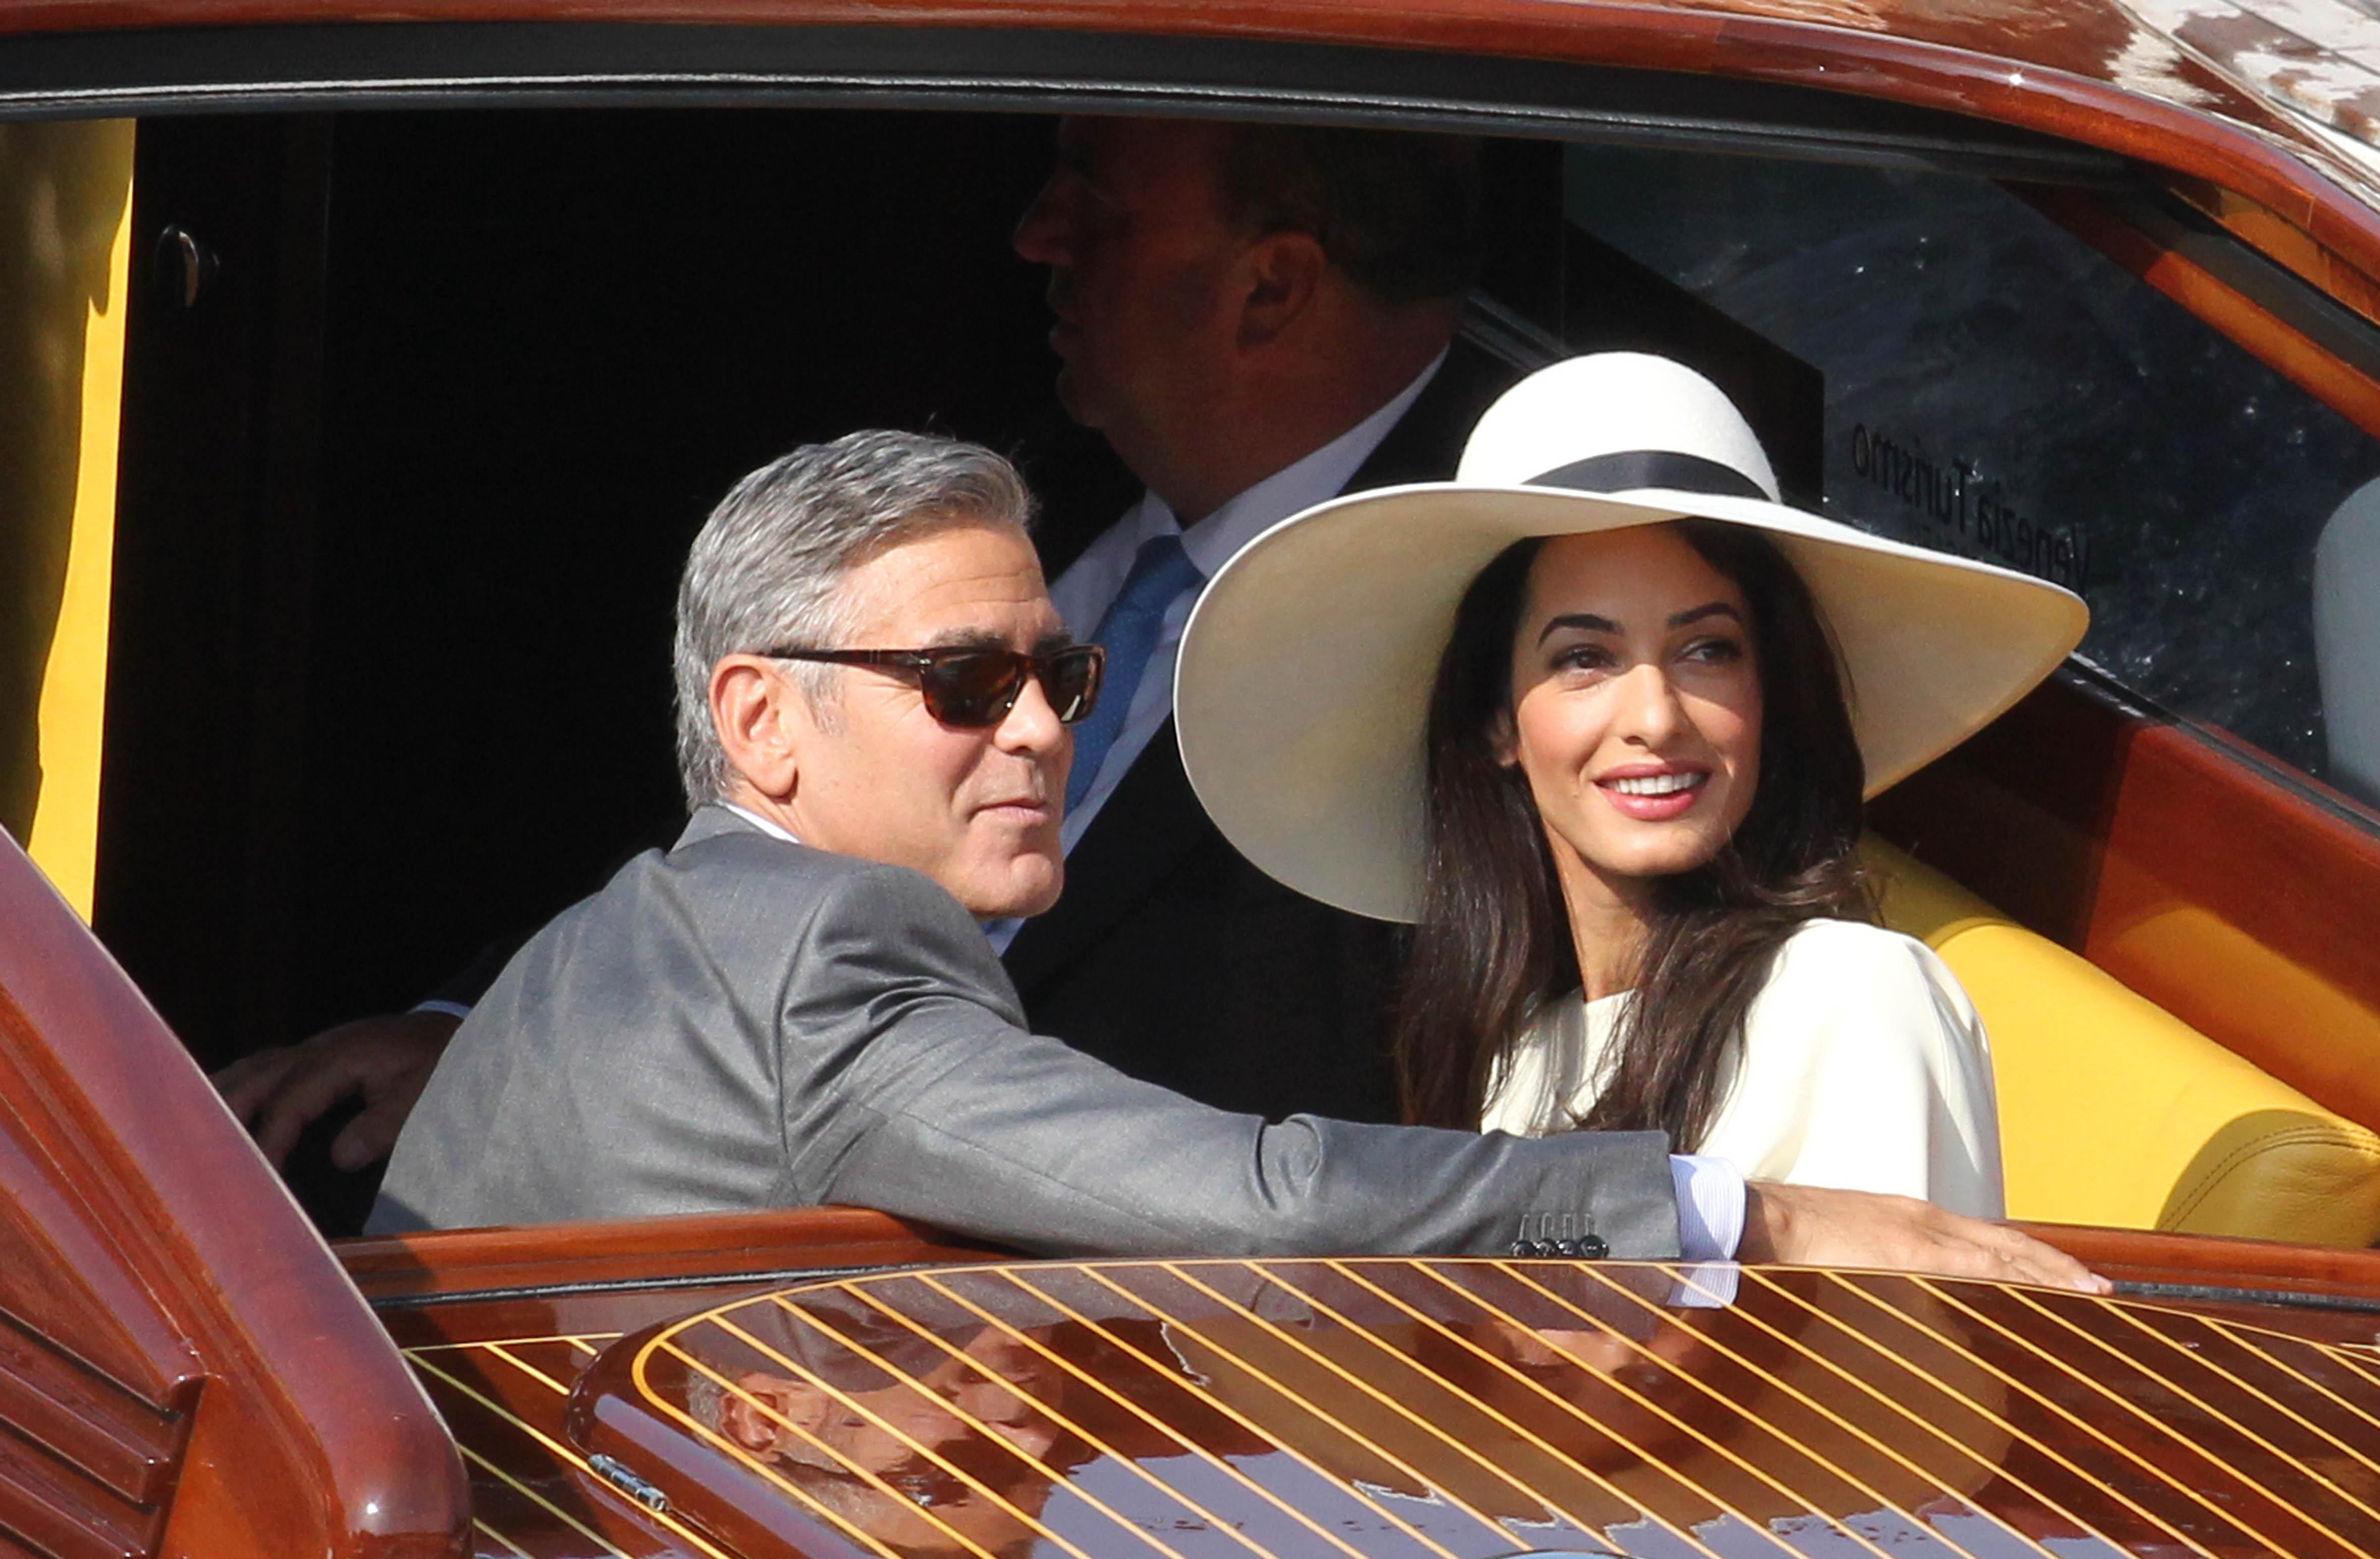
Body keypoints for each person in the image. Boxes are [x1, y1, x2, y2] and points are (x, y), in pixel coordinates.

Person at [370, 428, 2101, 1295]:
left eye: (1057, 677)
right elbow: (1243, 1198)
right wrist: (1743, 1211)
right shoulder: (826, 947)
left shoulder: (585, 955)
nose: (1042, 730)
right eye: (969, 685)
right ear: (759, 724)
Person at [221, 115, 1505, 1183]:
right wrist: (491, 1034)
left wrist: (1654, 1209)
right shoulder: (1023, 482)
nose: (1035, 234)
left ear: (1270, 285)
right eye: (970, 684)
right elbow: (752, 826)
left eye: (1095, 205)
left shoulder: (1506, 608)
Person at [1174, 353, 2091, 1209]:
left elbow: (1884, 1378)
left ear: (1769, 693)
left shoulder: (1851, 994)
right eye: (1585, 658)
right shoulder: (1519, 1057)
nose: (1656, 715)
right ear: (1498, 720)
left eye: (1708, 650)